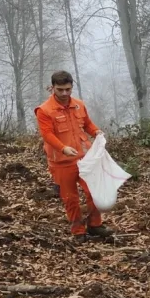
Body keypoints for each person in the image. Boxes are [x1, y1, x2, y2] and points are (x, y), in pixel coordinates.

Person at [34, 71, 109, 242]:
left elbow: (87, 124)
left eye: (67, 89)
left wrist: (96, 131)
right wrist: (63, 148)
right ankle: (78, 231)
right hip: (61, 162)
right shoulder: (44, 110)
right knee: (70, 199)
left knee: (94, 192)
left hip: (84, 158)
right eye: (60, 90)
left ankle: (95, 225)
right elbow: (47, 134)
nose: (64, 93)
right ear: (53, 87)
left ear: (72, 87)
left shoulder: (79, 105)